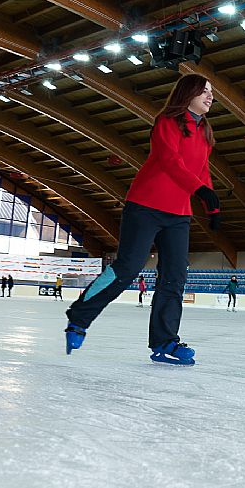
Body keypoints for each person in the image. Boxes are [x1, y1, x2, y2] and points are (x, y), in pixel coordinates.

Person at [63, 75, 220, 366]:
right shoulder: (168, 121)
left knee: (175, 277)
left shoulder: (205, 131)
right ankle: (79, 316)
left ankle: (164, 341)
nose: (211, 97)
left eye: (212, 93)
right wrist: (200, 191)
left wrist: (211, 205)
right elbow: (169, 161)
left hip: (179, 214)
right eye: (205, 91)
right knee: (127, 268)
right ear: (189, 93)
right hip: (146, 205)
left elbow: (201, 169)